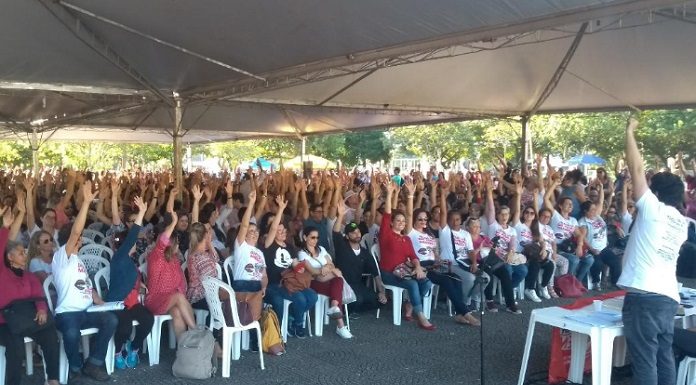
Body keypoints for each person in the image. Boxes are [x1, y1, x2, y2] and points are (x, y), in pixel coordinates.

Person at [618, 116, 688, 385]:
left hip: (644, 297)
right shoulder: (681, 223)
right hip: (668, 296)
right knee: (664, 357)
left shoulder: (652, 209)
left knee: (645, 362)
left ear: (655, 192)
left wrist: (630, 131)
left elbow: (635, 168)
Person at [52, 181, 118, 383]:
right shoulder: (61, 257)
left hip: (87, 310)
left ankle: (94, 363)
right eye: (78, 241)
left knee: (111, 320)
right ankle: (75, 369)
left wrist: (96, 297)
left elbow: (85, 282)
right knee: (71, 333)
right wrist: (86, 203)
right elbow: (75, 232)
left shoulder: (78, 260)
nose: (80, 242)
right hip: (67, 313)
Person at [0, 203, 61, 385]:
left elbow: (39, 295)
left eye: (24, 251)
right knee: (15, 346)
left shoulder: (29, 276)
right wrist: (5, 227)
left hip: (29, 318)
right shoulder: (3, 272)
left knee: (51, 336)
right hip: (5, 322)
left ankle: (53, 380)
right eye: (20, 252)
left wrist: (42, 309)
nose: (24, 254)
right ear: (10, 258)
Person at [405, 180, 480, 326]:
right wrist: (410, 196)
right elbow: (408, 214)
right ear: (414, 220)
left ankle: (459, 314)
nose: (423, 221)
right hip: (421, 266)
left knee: (456, 279)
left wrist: (438, 259)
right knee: (446, 280)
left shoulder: (429, 235)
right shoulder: (411, 233)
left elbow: (434, 252)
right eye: (419, 219)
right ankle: (465, 313)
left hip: (434, 264)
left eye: (425, 219)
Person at [377, 181, 435, 331]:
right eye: (398, 221)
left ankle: (410, 304)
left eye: (403, 221)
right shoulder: (386, 234)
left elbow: (413, 256)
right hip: (389, 273)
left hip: (405, 272)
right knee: (413, 284)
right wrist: (389, 194)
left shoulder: (406, 238)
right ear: (391, 223)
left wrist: (418, 267)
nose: (402, 223)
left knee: (427, 283)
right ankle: (421, 316)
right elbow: (387, 214)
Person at [105, 196, 154, 369]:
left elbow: (130, 276)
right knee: (124, 326)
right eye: (131, 243)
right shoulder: (119, 256)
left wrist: (139, 284)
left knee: (148, 319)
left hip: (131, 302)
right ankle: (118, 351)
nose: (135, 245)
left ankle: (134, 348)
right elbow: (133, 235)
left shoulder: (129, 260)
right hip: (117, 304)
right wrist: (141, 212)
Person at [262, 196, 317, 338]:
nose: (282, 232)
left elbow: (295, 265)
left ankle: (292, 319)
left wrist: (299, 266)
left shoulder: (291, 247)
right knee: (300, 299)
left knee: (312, 296)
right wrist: (281, 209)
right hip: (275, 284)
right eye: (278, 231)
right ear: (271, 234)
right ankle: (298, 324)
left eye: (283, 230)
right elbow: (273, 228)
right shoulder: (268, 245)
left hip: (292, 282)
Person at [145, 188, 197, 339]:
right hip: (155, 299)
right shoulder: (156, 256)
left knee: (177, 312)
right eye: (176, 243)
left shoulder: (174, 259)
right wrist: (174, 222)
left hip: (170, 299)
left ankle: (183, 348)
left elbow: (180, 282)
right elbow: (162, 241)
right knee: (179, 298)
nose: (178, 246)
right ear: (170, 244)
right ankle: (196, 333)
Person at [298, 226, 353, 339]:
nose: (315, 240)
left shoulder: (321, 249)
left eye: (317, 237)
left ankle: (335, 309)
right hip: (313, 283)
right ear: (305, 237)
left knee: (337, 280)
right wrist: (329, 269)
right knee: (338, 279)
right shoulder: (302, 254)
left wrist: (327, 269)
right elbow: (313, 272)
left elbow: (331, 264)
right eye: (312, 237)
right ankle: (340, 326)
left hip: (327, 281)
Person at [333, 200, 387, 315]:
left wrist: (381, 292)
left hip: (357, 284)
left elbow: (375, 274)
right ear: (347, 236)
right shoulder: (342, 247)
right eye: (353, 233)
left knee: (381, 301)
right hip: (343, 284)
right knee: (359, 299)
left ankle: (354, 310)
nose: (357, 234)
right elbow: (336, 232)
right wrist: (341, 215)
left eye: (358, 232)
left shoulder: (364, 252)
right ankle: (349, 310)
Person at [231, 189, 268, 349]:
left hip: (255, 286)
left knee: (260, 289)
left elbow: (264, 275)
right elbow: (245, 224)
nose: (253, 233)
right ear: (244, 234)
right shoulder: (241, 246)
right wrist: (252, 202)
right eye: (250, 231)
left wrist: (265, 285)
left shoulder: (259, 253)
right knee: (255, 288)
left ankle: (255, 338)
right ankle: (255, 336)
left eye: (255, 231)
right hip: (241, 285)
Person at [484, 175, 525, 314]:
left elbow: (512, 245)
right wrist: (489, 191)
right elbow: (490, 209)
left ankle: (510, 304)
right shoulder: (493, 225)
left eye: (507, 214)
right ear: (498, 215)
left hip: (502, 260)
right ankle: (489, 301)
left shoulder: (512, 230)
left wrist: (511, 252)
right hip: (489, 258)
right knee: (488, 271)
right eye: (502, 214)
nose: (504, 216)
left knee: (507, 274)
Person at [544, 182, 594, 284]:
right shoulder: (556, 216)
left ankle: (576, 282)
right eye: (568, 204)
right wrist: (553, 184)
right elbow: (546, 199)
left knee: (589, 259)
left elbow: (579, 234)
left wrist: (580, 245)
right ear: (561, 206)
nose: (571, 205)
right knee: (574, 260)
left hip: (570, 247)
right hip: (557, 247)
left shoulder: (573, 220)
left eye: (572, 204)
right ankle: (566, 284)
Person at [579, 199, 622, 290]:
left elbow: (601, 202)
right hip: (592, 249)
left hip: (603, 247)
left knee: (616, 262)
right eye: (592, 210)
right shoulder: (583, 222)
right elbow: (583, 237)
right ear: (586, 211)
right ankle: (596, 282)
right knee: (597, 263)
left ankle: (615, 282)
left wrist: (601, 188)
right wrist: (592, 249)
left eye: (595, 209)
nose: (595, 211)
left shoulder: (598, 217)